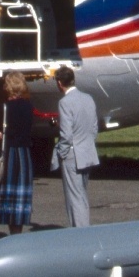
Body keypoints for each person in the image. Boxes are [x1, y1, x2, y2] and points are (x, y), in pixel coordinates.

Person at [51, 65, 99, 227]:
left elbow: (65, 134)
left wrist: (62, 153)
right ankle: (83, 230)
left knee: (74, 199)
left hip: (72, 154)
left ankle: (80, 234)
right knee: (82, 196)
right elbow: (93, 127)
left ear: (59, 82)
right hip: (87, 151)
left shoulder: (65, 102)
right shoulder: (88, 98)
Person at [0, 70, 35, 235]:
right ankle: (18, 232)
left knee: (9, 196)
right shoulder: (29, 106)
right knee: (20, 198)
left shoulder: (5, 107)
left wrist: (1, 134)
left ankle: (12, 233)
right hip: (24, 155)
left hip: (9, 154)